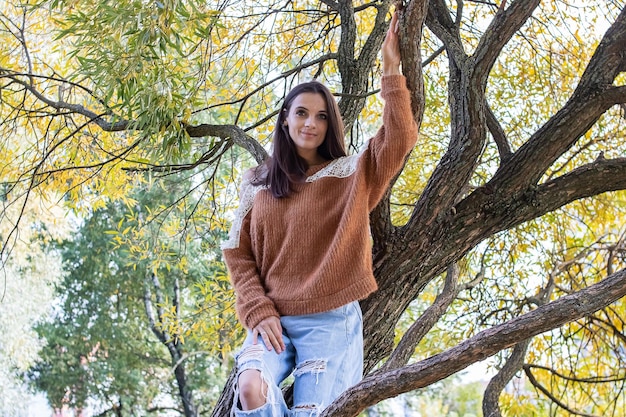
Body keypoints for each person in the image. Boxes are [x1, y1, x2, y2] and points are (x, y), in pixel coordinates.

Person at [221, 11, 418, 417]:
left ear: (332, 125)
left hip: (331, 321)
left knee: (314, 413)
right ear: (285, 119)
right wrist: (257, 309)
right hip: (273, 317)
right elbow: (237, 254)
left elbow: (399, 139)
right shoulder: (257, 182)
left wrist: (390, 70)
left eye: (322, 116)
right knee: (251, 388)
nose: (311, 122)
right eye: (302, 113)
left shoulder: (350, 173)